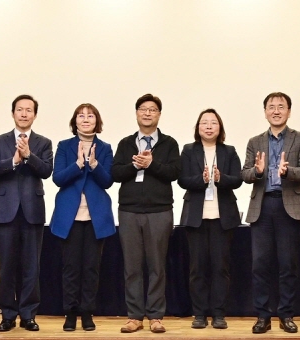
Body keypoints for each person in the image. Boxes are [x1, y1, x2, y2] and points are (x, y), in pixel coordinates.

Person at [241, 92, 300, 334]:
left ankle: (286, 314)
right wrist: (258, 171)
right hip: (262, 207)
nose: (276, 111)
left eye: (281, 106)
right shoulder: (254, 141)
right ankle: (262, 316)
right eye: (271, 107)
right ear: (265, 112)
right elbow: (245, 174)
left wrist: (287, 172)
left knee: (287, 265)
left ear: (289, 111)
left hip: (288, 206)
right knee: (259, 265)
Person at [112, 93, 181, 334]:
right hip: (129, 211)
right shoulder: (126, 143)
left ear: (159, 114)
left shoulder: (169, 144)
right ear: (136, 113)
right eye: (143, 109)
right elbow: (115, 173)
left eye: (152, 109)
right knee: (132, 267)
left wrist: (152, 165)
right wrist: (134, 165)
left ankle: (155, 316)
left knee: (157, 266)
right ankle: (134, 316)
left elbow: (174, 173)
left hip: (159, 211)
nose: (147, 113)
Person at [0, 95, 53, 332]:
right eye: (20, 110)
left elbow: (46, 170)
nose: (24, 114)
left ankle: (28, 314)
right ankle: (7, 314)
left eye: (29, 110)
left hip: (32, 211)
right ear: (13, 113)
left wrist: (28, 156)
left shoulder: (43, 142)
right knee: (8, 265)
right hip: (6, 211)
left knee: (31, 266)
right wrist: (13, 160)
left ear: (35, 114)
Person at [50, 103, 116, 332]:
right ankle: (70, 313)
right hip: (70, 216)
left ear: (97, 121)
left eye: (90, 116)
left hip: (96, 217)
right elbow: (57, 178)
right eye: (81, 115)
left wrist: (95, 165)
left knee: (91, 268)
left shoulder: (105, 148)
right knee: (71, 268)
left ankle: (87, 312)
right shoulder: (64, 146)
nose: (86, 119)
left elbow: (107, 181)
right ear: (75, 121)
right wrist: (78, 164)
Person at [178, 109, 243, 330]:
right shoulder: (189, 150)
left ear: (219, 127)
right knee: (197, 269)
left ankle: (218, 314)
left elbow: (238, 180)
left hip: (222, 218)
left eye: (213, 122)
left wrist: (220, 178)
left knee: (220, 268)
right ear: (198, 128)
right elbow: (182, 180)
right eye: (204, 122)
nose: (208, 126)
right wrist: (202, 179)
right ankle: (199, 314)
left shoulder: (229, 151)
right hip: (196, 217)